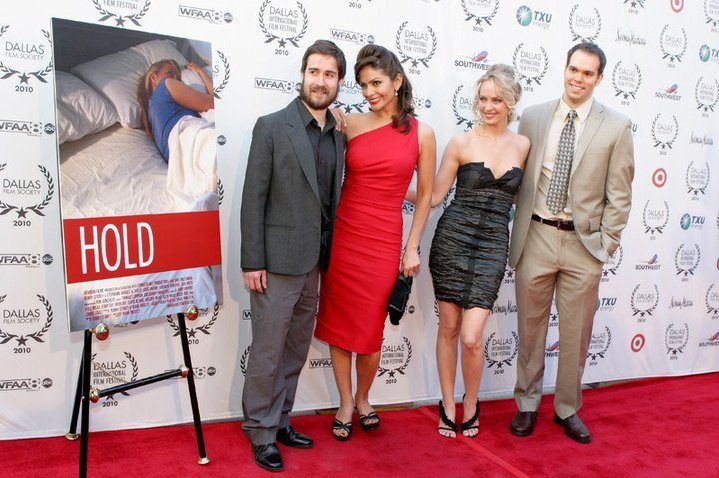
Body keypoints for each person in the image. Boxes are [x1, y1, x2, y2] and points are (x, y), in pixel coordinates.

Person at [508, 42, 634, 444]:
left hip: (584, 246)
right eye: (573, 70)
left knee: (576, 334)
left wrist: (605, 244)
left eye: (587, 73)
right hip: (537, 237)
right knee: (530, 329)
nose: (577, 78)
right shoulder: (532, 117)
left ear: (599, 79)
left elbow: (620, 194)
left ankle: (566, 408)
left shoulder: (616, 126)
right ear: (564, 69)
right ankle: (527, 404)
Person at [313, 44, 435, 441]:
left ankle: (365, 396)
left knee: (368, 333)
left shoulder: (423, 134)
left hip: (384, 241)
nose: (369, 92)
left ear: (397, 81)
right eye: (363, 84)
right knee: (337, 326)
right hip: (345, 238)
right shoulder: (350, 124)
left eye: (377, 83)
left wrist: (412, 246)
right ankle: (346, 402)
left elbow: (426, 198)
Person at [240, 40, 347, 472]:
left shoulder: (339, 133)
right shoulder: (271, 126)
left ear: (339, 82)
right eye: (314, 72)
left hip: (316, 263)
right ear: (302, 75)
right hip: (276, 262)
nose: (321, 81)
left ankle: (281, 419)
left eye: (330, 74)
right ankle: (260, 431)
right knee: (267, 351)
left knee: (295, 349)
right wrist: (252, 261)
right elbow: (253, 198)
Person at [422, 64, 528, 439]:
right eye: (483, 98)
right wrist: (382, 187)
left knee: (471, 336)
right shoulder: (461, 143)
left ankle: (472, 402)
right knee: (449, 327)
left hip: (492, 246)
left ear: (511, 102)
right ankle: (449, 403)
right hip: (452, 241)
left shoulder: (523, 145)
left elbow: (526, 201)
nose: (488, 106)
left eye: (497, 99)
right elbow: (434, 196)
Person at [137, 59, 214, 161]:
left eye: (178, 78)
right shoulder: (166, 84)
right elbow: (215, 103)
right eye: (170, 73)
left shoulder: (151, 115)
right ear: (153, 78)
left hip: (179, 160)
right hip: (194, 142)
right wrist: (200, 71)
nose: (175, 79)